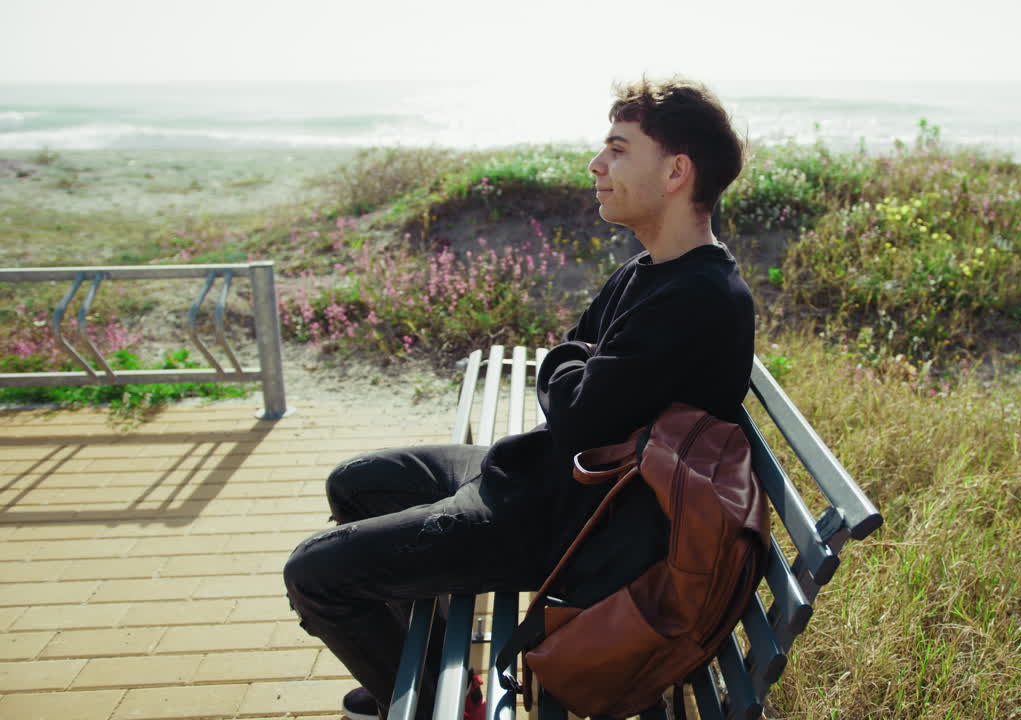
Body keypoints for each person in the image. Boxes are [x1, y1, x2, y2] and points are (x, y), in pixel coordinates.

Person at [283, 76, 755, 720]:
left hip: (571, 522)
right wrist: (574, 366)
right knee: (358, 483)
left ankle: (432, 704)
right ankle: (415, 675)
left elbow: (579, 411)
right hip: (538, 476)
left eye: (618, 149)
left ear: (676, 171)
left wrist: (571, 366)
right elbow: (572, 365)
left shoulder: (700, 298)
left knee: (314, 573)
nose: (597, 165)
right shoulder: (651, 270)